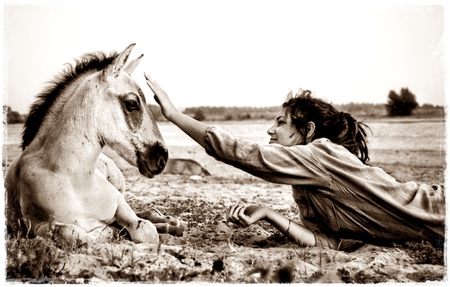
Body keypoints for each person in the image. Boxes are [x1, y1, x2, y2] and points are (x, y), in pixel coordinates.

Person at [144, 73, 445, 250]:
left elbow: (241, 152)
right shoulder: (305, 186)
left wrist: (173, 114)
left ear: (308, 131)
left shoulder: (322, 154)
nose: (270, 130)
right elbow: (326, 243)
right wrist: (269, 214)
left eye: (281, 123)